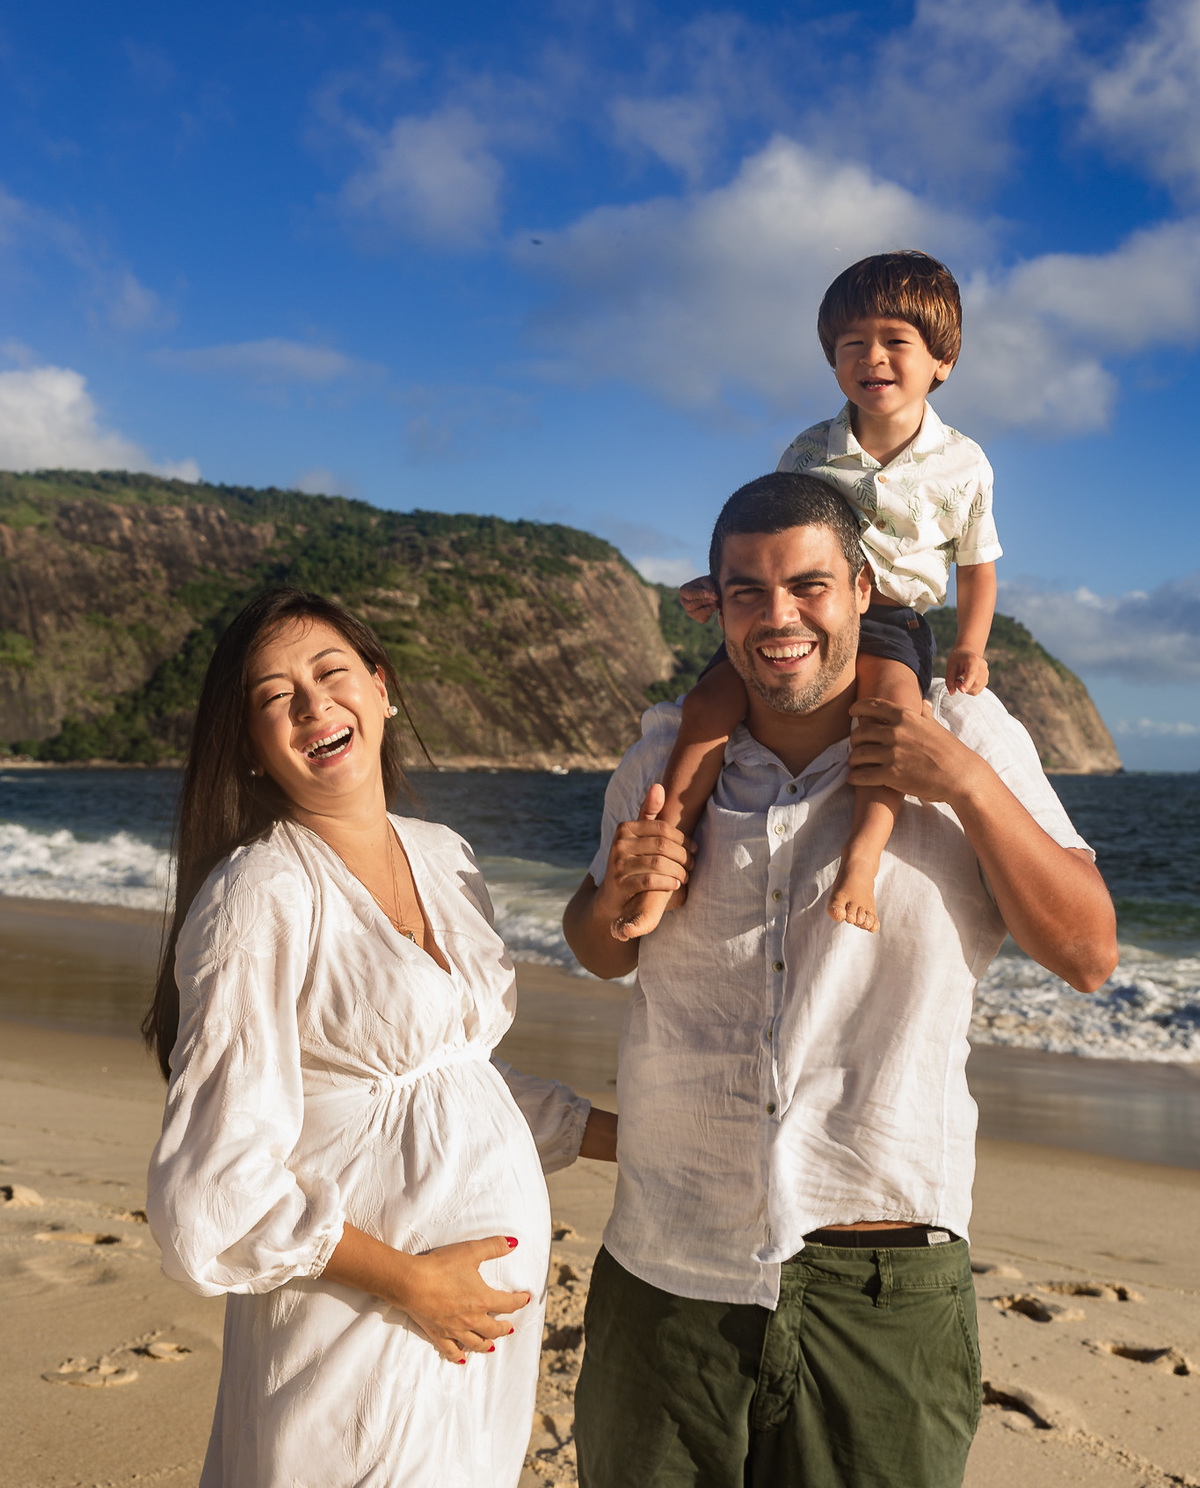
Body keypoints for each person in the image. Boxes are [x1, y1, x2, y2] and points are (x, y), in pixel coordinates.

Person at [563, 473, 1117, 1488]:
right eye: (748, 593)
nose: (778, 618)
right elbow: (601, 946)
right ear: (716, 603)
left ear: (865, 589)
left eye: (809, 586)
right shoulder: (662, 753)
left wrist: (965, 786)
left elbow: (1088, 954)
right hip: (667, 1275)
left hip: (885, 1285)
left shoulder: (973, 738)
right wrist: (614, 900)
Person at [145, 586, 616, 1488]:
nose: (314, 704)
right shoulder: (260, 896)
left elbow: (451, 1078)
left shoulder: (442, 854)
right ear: (249, 745)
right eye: (275, 697)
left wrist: (621, 1138)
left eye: (331, 673)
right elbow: (206, 1193)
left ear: (381, 688)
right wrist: (409, 1281)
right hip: (359, 1326)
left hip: (468, 1341)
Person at [645, 252, 1000, 939]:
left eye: (897, 341)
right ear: (833, 360)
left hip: (893, 617)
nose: (874, 357)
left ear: (942, 361)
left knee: (892, 717)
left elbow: (978, 565)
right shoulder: (809, 451)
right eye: (851, 346)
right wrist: (721, 589)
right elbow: (766, 539)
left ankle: (861, 861)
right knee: (709, 702)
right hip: (801, 609)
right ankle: (665, 853)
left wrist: (970, 646)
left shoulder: (965, 464)